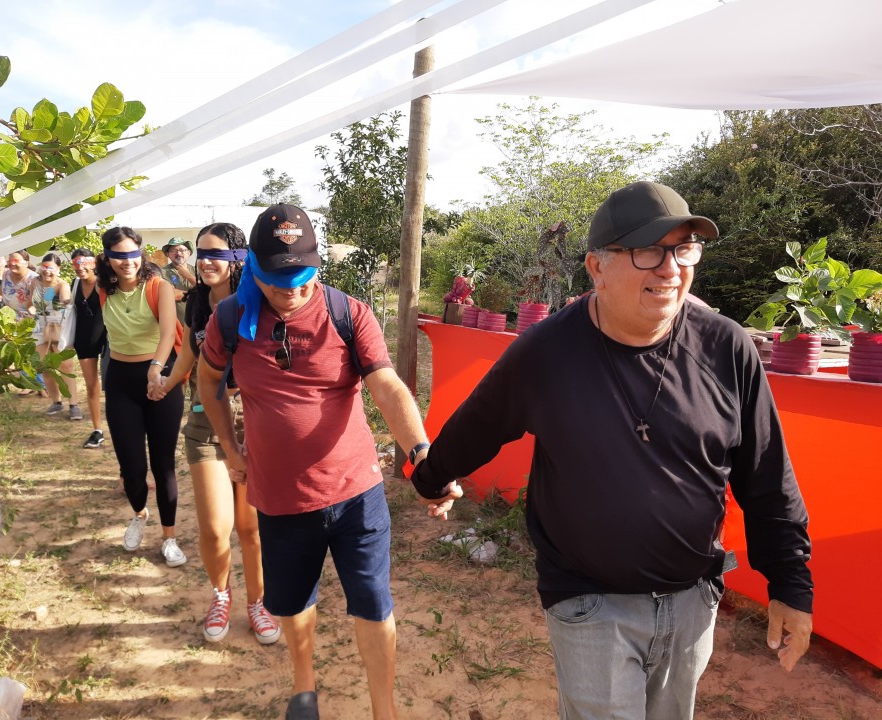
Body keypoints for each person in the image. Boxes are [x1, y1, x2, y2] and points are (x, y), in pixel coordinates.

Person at [410, 181, 814, 720]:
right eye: (648, 251)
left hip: (692, 599)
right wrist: (432, 478)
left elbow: (765, 473)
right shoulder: (547, 352)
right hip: (588, 600)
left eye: (683, 249)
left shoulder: (725, 346)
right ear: (596, 268)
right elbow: (479, 424)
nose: (670, 268)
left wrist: (790, 583)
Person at [197, 204, 451, 720]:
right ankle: (304, 685)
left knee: (374, 603)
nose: (291, 288)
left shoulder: (348, 312)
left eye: (302, 274)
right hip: (280, 499)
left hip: (357, 493)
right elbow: (208, 383)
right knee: (291, 603)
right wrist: (229, 448)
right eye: (276, 277)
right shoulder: (229, 318)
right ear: (254, 269)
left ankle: (386, 710)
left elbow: (386, 385)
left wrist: (422, 455)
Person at [151, 222, 280, 645]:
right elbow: (189, 351)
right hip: (207, 423)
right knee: (214, 527)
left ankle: (257, 603)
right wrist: (165, 383)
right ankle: (221, 595)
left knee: (251, 529)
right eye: (200, 252)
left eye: (216, 253)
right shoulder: (200, 304)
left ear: (238, 259)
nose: (205, 261)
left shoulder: (260, 301)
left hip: (256, 424)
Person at [96, 226, 187, 568]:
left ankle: (169, 537)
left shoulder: (159, 286)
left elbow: (167, 332)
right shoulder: (104, 289)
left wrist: (156, 369)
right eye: (118, 255)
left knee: (164, 465)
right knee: (132, 468)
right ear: (108, 258)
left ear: (141, 253)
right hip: (120, 380)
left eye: (132, 253)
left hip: (160, 378)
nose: (127, 261)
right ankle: (139, 513)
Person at [29, 253, 82, 419]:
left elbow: (66, 298)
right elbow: (31, 303)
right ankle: (56, 401)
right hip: (40, 326)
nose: (47, 272)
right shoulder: (35, 282)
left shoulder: (61, 284)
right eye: (44, 268)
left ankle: (73, 404)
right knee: (44, 366)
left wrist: (66, 299)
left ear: (58, 269)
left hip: (58, 325)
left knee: (66, 366)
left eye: (51, 268)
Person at [70, 248, 109, 448]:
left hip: (110, 339)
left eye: (83, 262)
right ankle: (97, 430)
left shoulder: (104, 282)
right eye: (75, 264)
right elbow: (59, 302)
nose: (80, 267)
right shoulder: (74, 284)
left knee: (112, 385)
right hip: (84, 340)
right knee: (92, 386)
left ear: (93, 263)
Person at [159, 236, 197, 326]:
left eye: (182, 250)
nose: (178, 253)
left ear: (189, 253)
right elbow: (171, 294)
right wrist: (197, 293)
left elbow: (207, 289)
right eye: (173, 250)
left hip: (197, 324)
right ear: (168, 254)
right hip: (175, 326)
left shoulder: (198, 270)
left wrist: (187, 275)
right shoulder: (162, 272)